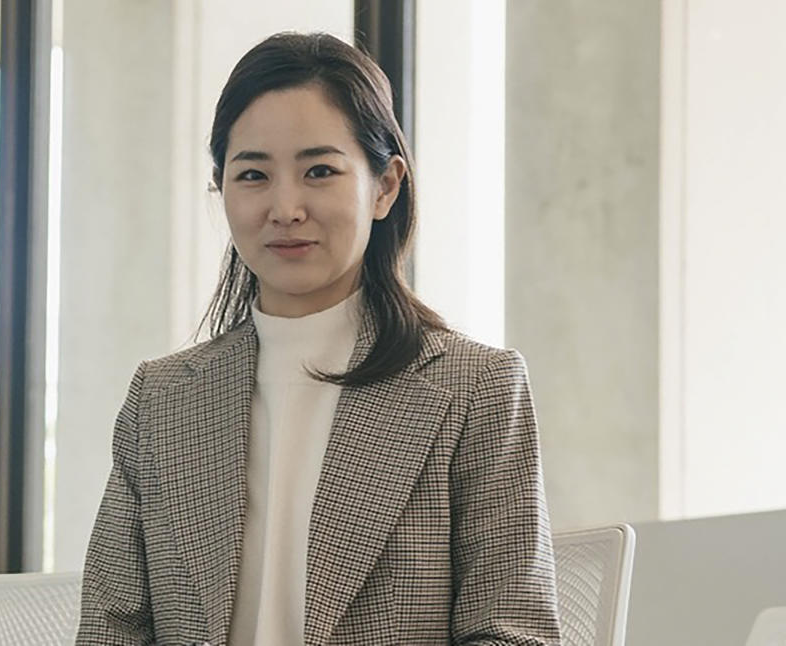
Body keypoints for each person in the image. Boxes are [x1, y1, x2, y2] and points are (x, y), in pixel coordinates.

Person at [76, 31, 561, 646]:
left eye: (320, 171)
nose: (285, 206)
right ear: (220, 188)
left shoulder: (476, 388)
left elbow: (513, 633)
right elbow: (110, 630)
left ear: (384, 186)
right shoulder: (161, 398)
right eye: (253, 174)